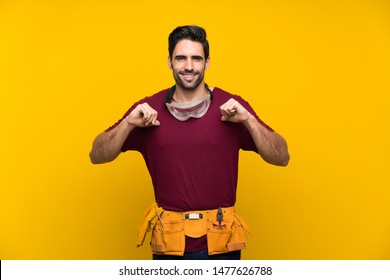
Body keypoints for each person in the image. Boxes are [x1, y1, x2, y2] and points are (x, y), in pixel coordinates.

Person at [89, 25, 290, 260]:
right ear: (169, 62)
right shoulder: (147, 110)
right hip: (169, 245)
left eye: (196, 58)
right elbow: (97, 155)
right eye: (181, 58)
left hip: (222, 244)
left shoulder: (233, 107)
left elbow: (282, 157)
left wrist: (249, 120)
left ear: (207, 62)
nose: (189, 66)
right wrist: (128, 123)